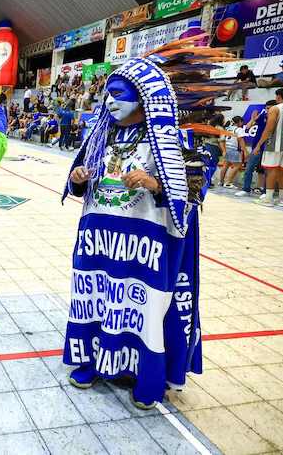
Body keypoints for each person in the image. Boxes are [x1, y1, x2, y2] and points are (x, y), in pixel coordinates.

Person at [64, 50, 216, 409]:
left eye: (119, 93)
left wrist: (156, 183)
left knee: (142, 308)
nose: (110, 100)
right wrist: (78, 178)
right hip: (98, 240)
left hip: (146, 244)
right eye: (107, 93)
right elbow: (79, 184)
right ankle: (93, 362)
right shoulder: (99, 135)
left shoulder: (171, 139)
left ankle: (145, 377)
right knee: (95, 299)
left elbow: (197, 189)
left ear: (144, 96)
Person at [236, 100, 276, 197]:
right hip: (257, 147)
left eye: (270, 108)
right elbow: (248, 127)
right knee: (249, 168)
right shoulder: (262, 116)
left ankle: (266, 192)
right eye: (266, 108)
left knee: (267, 171)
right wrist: (253, 118)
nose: (268, 110)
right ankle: (246, 189)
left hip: (269, 147)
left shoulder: (277, 119)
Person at [217, 116, 246, 188]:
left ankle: (221, 181)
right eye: (242, 122)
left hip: (227, 148)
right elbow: (241, 140)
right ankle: (228, 182)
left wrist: (224, 150)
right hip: (235, 149)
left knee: (225, 165)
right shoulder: (239, 129)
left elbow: (222, 140)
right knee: (237, 166)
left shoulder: (228, 128)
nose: (242, 124)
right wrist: (245, 150)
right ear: (239, 122)